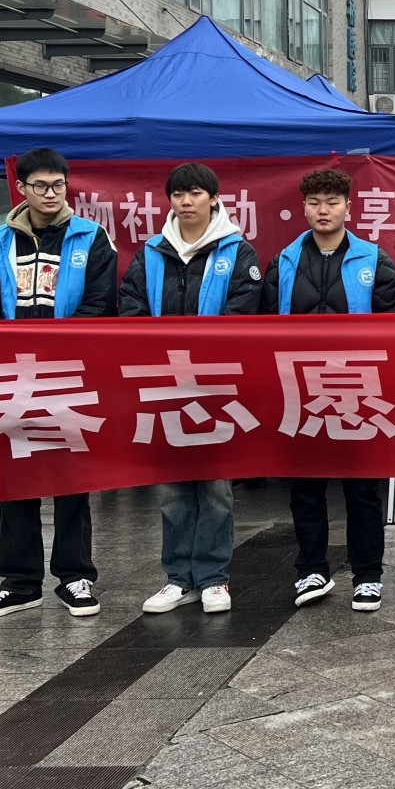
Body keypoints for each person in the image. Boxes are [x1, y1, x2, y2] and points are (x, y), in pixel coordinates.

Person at [0, 148, 118, 620]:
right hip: (12, 374)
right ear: (21, 188)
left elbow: (101, 302)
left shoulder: (91, 237)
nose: (51, 194)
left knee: (72, 478)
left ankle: (75, 575)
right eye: (40, 186)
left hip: (69, 372)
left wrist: (61, 350)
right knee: (16, 479)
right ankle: (19, 582)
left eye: (58, 185)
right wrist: (6, 354)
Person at [262, 167, 395, 613]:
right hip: (301, 389)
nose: (322, 210)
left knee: (362, 488)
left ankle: (368, 575)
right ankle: (312, 569)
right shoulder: (284, 261)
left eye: (331, 202)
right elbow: (262, 326)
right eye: (314, 202)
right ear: (304, 208)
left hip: (357, 389)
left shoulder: (374, 260)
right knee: (305, 487)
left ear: (348, 206)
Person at [120, 162, 262, 615]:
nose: (186, 201)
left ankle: (215, 577)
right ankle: (178, 578)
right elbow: (130, 308)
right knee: (172, 488)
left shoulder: (237, 251)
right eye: (178, 194)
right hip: (163, 383)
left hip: (216, 383)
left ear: (214, 199)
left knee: (216, 486)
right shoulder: (151, 252)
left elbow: (245, 313)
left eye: (196, 193)